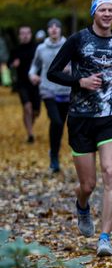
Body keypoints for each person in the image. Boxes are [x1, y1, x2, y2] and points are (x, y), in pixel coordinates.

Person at [47, 0, 112, 257]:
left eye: (111, 10)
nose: (107, 14)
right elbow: (53, 71)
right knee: (88, 185)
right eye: (102, 10)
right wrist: (78, 82)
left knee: (110, 172)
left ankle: (105, 237)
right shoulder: (78, 40)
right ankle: (82, 204)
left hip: (111, 116)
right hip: (81, 119)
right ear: (94, 12)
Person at [28, 18, 70, 173]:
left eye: (57, 27)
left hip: (65, 91)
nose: (54, 29)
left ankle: (54, 153)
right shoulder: (41, 48)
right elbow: (34, 65)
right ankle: (54, 154)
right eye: (51, 27)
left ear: (60, 30)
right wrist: (32, 75)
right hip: (47, 90)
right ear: (47, 30)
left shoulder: (68, 46)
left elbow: (77, 65)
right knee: (57, 122)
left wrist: (70, 69)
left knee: (59, 125)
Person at [9, 25, 41, 143]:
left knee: (35, 112)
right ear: (19, 36)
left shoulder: (37, 48)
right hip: (22, 83)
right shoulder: (15, 50)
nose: (25, 35)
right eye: (22, 33)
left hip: (36, 83)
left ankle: (30, 126)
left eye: (27, 33)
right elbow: (9, 64)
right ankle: (30, 134)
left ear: (31, 34)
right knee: (27, 107)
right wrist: (13, 64)